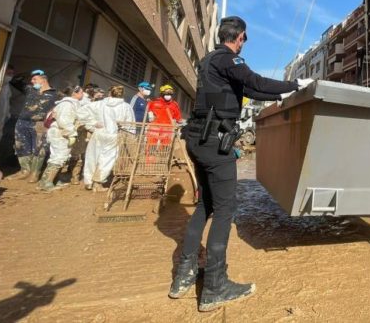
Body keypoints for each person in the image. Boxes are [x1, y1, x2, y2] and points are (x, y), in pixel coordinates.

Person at [168, 16, 312, 312]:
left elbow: (251, 91)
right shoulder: (228, 59)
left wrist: (286, 91)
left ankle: (184, 274)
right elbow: (255, 81)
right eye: (245, 39)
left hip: (197, 139)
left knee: (205, 205)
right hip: (213, 142)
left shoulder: (208, 62)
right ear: (241, 36)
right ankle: (215, 287)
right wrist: (297, 83)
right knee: (225, 210)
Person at [82, 85, 134, 191]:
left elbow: (81, 112)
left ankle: (88, 181)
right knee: (107, 159)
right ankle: (98, 182)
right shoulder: (126, 106)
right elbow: (130, 124)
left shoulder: (100, 103)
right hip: (114, 135)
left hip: (99, 133)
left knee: (92, 156)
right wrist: (130, 136)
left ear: (110, 93)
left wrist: (93, 123)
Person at [13, 69, 57, 182]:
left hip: (40, 124)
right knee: (21, 146)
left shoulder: (55, 94)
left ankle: (34, 173)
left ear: (43, 79)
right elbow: (14, 80)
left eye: (35, 79)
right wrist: (27, 73)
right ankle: (24, 171)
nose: (32, 81)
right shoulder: (30, 90)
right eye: (31, 79)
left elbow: (64, 104)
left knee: (40, 148)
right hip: (22, 122)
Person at [38, 86, 84, 191]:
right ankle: (46, 183)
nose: (83, 94)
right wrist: (71, 133)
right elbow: (64, 121)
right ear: (74, 93)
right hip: (60, 133)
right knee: (58, 157)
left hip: (62, 132)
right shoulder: (67, 105)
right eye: (81, 92)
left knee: (62, 157)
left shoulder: (71, 104)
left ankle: (53, 180)